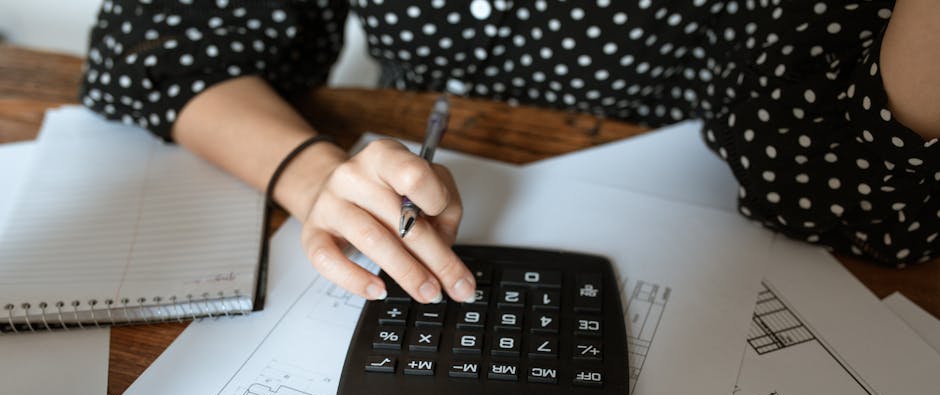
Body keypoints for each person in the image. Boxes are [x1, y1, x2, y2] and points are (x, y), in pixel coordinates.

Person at [80, 1, 939, 304]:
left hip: (687, 201)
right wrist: (313, 177)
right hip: (408, 156)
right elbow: (157, 44)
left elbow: (844, 186)